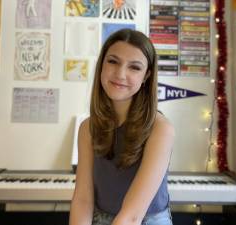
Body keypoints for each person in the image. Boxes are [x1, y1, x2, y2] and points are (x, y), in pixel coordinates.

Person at [69, 29, 175, 225]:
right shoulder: (87, 128)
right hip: (99, 217)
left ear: (146, 76)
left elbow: (132, 216)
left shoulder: (161, 129)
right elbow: (83, 200)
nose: (120, 74)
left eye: (134, 67)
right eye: (113, 61)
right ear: (101, 65)